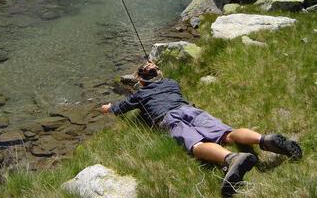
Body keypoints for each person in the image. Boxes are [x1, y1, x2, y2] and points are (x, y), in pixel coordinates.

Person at [100, 62, 302, 197]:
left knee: (195, 145)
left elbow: (119, 109)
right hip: (190, 110)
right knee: (227, 133)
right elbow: (157, 82)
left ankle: (231, 159)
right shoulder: (171, 83)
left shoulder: (140, 94)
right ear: (159, 75)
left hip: (169, 118)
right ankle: (263, 139)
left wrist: (108, 107)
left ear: (139, 79)